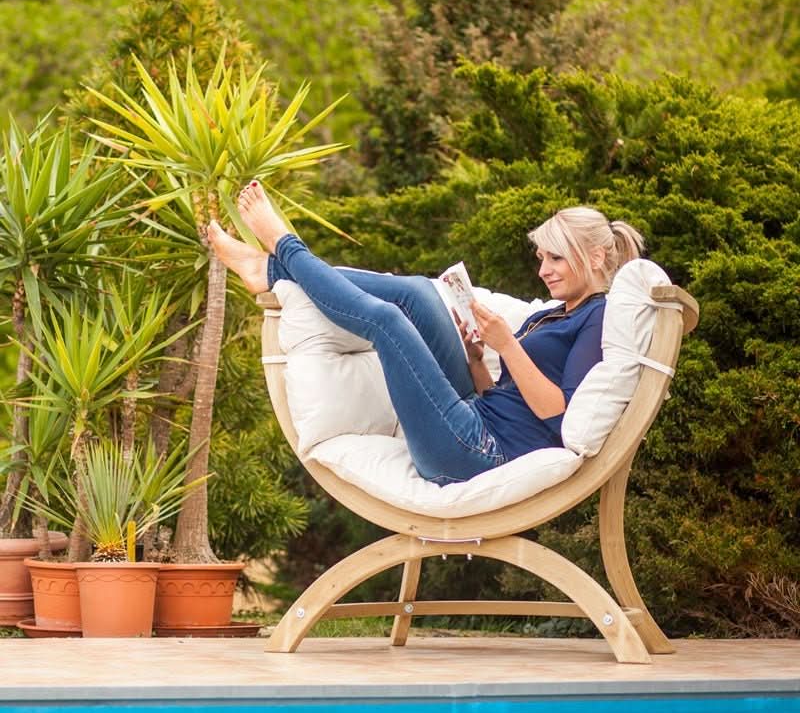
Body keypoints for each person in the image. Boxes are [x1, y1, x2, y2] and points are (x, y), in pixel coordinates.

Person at [208, 182, 644, 486]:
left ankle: (281, 247)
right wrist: (477, 360)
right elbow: (509, 399)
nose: (543, 270)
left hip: (476, 453)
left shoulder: (598, 318)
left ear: (596, 256)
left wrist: (508, 345)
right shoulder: (554, 314)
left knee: (388, 322)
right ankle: (267, 268)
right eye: (541, 257)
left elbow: (561, 417)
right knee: (418, 293)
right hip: (476, 417)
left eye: (556, 259)